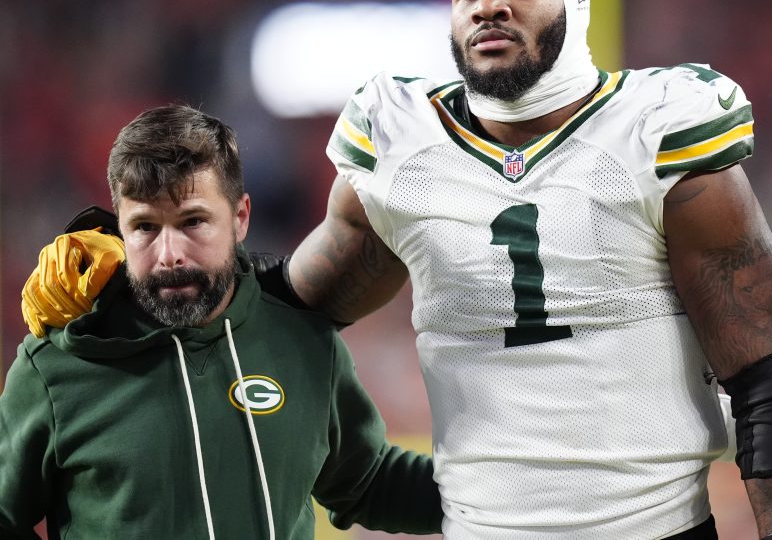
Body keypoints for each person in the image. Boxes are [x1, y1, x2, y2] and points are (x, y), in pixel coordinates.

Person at [20, 0, 772, 539]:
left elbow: (767, 378)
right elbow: (286, 304)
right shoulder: (402, 139)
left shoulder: (659, 126)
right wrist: (125, 277)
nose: (488, 4)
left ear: (574, 5)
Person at [2, 104, 442, 538]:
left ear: (240, 218)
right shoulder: (56, 367)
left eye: (193, 221)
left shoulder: (303, 339)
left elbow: (367, 482)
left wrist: (499, 494)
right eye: (145, 227)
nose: (169, 253)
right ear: (118, 230)